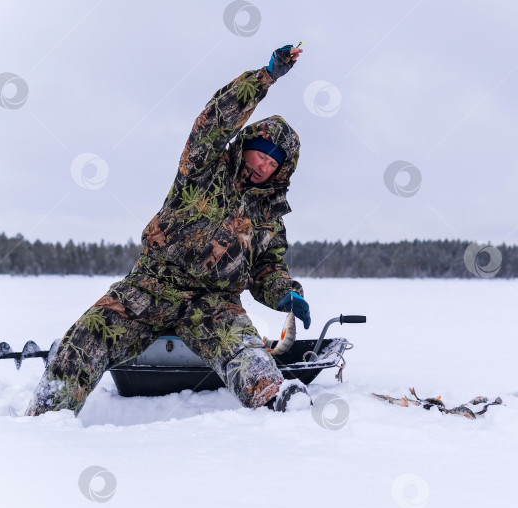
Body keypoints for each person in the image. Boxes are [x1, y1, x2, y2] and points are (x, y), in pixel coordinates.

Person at [25, 44, 312, 416]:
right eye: (261, 153)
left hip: (215, 301)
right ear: (247, 146)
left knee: (246, 352)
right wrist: (265, 77)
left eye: (273, 162)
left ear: (281, 171)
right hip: (154, 283)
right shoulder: (205, 165)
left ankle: (281, 404)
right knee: (91, 331)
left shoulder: (271, 217)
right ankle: (45, 417)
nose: (263, 165)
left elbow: (266, 271)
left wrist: (285, 293)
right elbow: (213, 121)